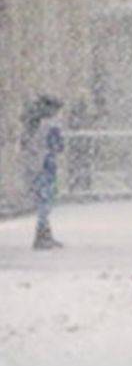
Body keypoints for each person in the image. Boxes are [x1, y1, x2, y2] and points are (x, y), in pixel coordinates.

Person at [20, 95, 66, 250]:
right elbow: (59, 146)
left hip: (34, 165)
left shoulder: (31, 125)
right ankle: (42, 234)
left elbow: (25, 145)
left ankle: (43, 233)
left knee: (41, 200)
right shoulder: (51, 125)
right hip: (46, 165)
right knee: (46, 201)